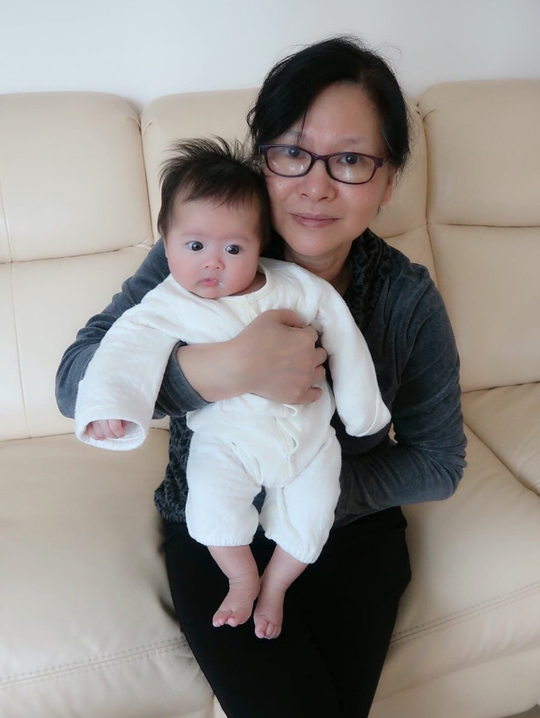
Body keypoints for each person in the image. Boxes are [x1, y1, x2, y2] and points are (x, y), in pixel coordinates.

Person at [56, 35, 467, 718]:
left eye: (351, 160)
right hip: (216, 523)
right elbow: (78, 383)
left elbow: (439, 462)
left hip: (348, 528)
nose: (316, 185)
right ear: (262, 162)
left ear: (389, 181)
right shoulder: (207, 252)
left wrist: (308, 485)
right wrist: (223, 369)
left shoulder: (406, 297)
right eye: (292, 153)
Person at [73, 137, 390, 641]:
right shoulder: (167, 303)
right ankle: (242, 578)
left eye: (234, 249)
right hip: (228, 442)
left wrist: (361, 410)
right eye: (195, 246)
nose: (213, 263)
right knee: (211, 504)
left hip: (310, 440)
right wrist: (112, 405)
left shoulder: (294, 285)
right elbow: (124, 347)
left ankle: (277, 585)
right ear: (166, 241)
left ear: (260, 244)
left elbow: (343, 335)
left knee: (314, 514)